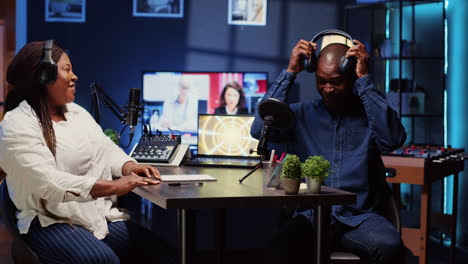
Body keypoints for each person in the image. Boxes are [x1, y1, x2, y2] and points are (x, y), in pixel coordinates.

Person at [0, 41, 175, 264]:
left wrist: (129, 166)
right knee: (102, 260)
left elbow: (106, 148)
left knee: (165, 254)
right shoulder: (16, 125)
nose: (75, 76)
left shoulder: (76, 113)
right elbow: (48, 183)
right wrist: (115, 186)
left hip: (95, 217)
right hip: (50, 221)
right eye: (67, 69)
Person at [251, 38, 406, 263]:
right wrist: (290, 72)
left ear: (351, 76)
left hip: (360, 219)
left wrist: (365, 80)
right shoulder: (301, 115)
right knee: (279, 246)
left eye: (336, 81)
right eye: (321, 81)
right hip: (311, 217)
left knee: (390, 247)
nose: (328, 89)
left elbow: (393, 139)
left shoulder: (370, 114)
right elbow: (258, 129)